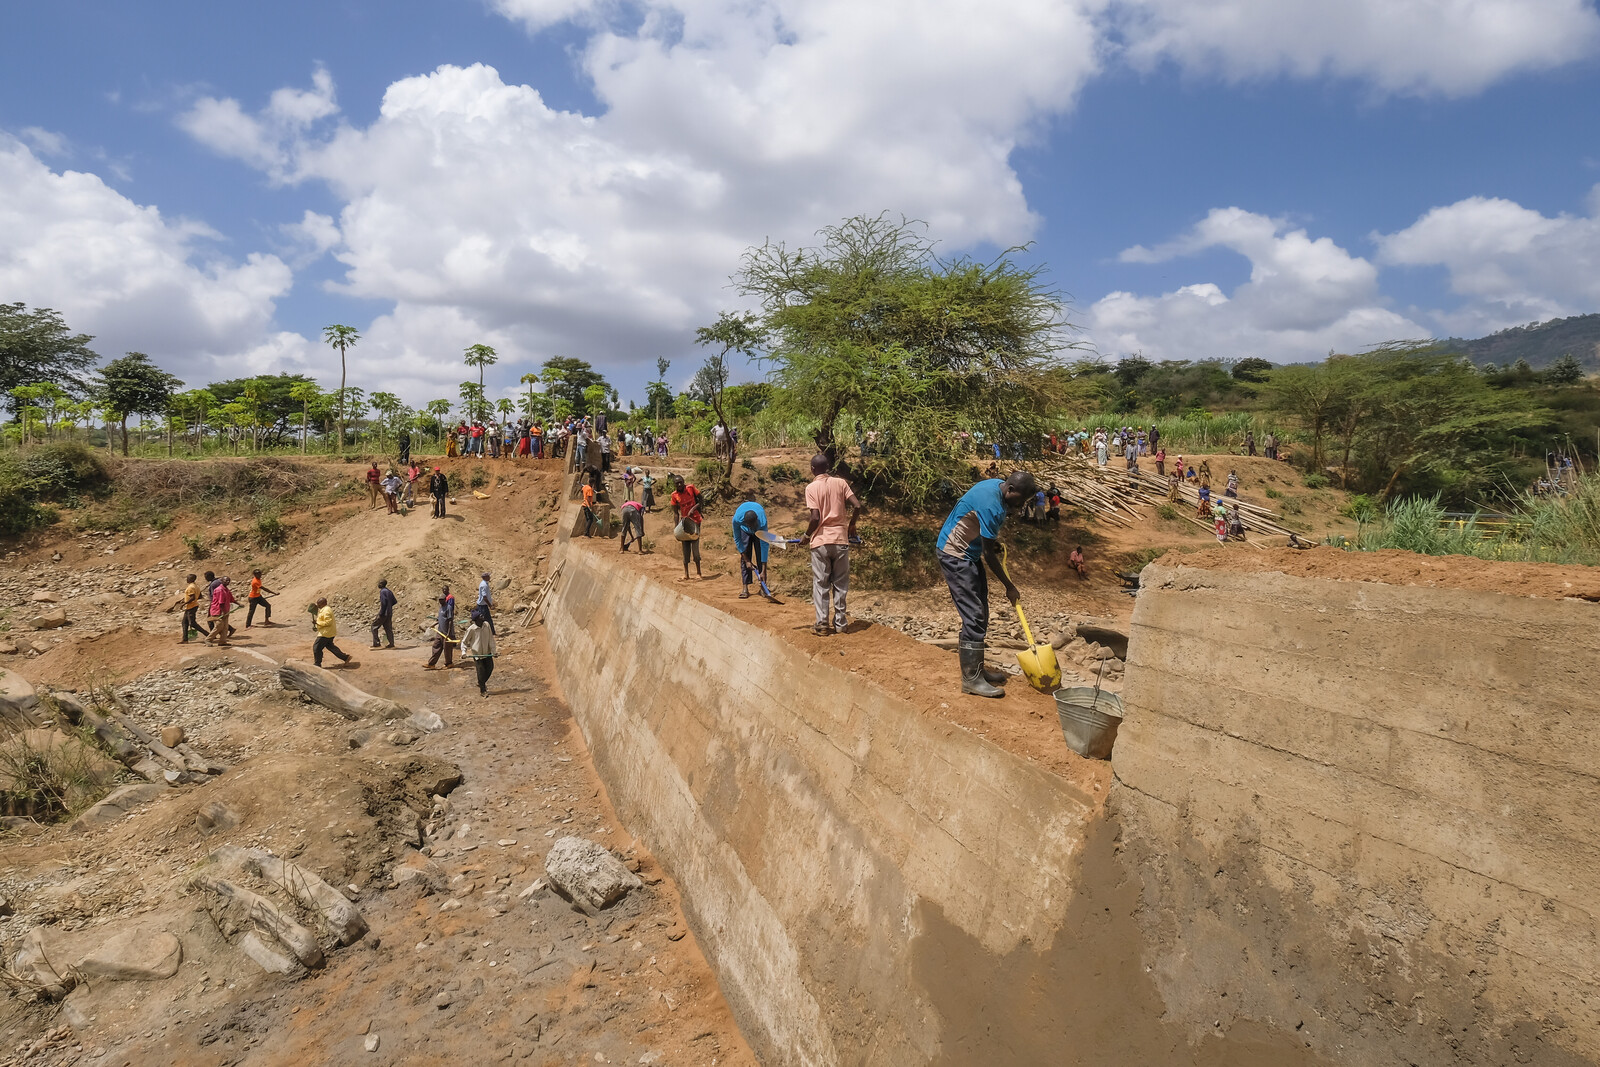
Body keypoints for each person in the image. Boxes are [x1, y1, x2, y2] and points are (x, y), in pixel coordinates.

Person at [935, 470, 1033, 698]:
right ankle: (971, 680)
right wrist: (1009, 586)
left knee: (981, 611)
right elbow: (989, 556)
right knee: (974, 616)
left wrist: (991, 542)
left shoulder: (996, 485)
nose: (1020, 506)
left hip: (968, 553)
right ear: (1010, 490)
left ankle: (977, 670)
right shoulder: (992, 506)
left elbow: (985, 537)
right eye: (1021, 499)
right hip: (955, 555)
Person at [801, 455, 860, 635]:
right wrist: (852, 526)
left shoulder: (811, 488)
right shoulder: (841, 483)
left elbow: (815, 517)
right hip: (841, 540)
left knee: (821, 583)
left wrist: (805, 536)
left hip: (820, 542)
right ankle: (841, 624)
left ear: (812, 469)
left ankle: (822, 624)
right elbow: (857, 506)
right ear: (828, 467)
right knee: (840, 584)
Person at [732, 500, 770, 599]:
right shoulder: (737, 520)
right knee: (745, 555)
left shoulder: (762, 522)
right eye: (750, 526)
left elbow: (764, 545)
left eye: (754, 525)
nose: (752, 527)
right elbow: (737, 539)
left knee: (760, 554)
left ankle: (763, 587)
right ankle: (745, 587)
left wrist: (764, 570)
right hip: (744, 531)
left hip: (759, 531)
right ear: (745, 523)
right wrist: (747, 560)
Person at [669, 475, 704, 580]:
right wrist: (676, 528)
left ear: (683, 481)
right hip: (684, 523)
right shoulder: (674, 495)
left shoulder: (691, 488)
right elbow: (676, 513)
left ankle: (698, 573)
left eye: (681, 482)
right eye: (677, 483)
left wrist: (694, 508)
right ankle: (686, 574)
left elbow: (701, 500)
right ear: (674, 485)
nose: (679, 484)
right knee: (685, 548)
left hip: (696, 520)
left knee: (695, 546)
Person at [461, 605, 498, 696]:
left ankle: (481, 682)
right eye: (480, 616)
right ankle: (483, 690)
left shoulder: (487, 625)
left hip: (487, 652)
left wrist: (494, 651)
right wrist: (464, 652)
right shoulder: (471, 629)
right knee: (481, 671)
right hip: (477, 655)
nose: (483, 617)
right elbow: (464, 642)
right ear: (476, 620)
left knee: (490, 668)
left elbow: (491, 639)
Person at [312, 597, 355, 668]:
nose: (318, 605)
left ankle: (317, 664)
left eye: (319, 604)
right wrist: (317, 625)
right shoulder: (324, 610)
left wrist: (317, 622)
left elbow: (328, 622)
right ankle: (345, 657)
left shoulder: (326, 610)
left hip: (325, 633)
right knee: (331, 647)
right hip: (328, 632)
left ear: (323, 603)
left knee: (317, 647)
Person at [426, 586, 456, 669]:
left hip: (446, 633)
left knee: (447, 649)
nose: (440, 601)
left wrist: (449, 633)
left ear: (444, 600)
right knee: (436, 646)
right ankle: (431, 664)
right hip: (440, 632)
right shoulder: (441, 608)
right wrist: (434, 624)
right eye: (439, 600)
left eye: (441, 600)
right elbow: (440, 619)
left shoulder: (448, 608)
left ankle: (449, 663)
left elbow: (450, 620)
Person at [207, 576, 236, 647]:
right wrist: (223, 612)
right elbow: (221, 603)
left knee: (225, 627)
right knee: (219, 625)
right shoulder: (220, 590)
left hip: (225, 610)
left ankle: (222, 641)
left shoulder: (226, 590)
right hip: (218, 610)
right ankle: (208, 639)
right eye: (226, 580)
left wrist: (239, 604)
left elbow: (231, 599)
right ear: (222, 581)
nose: (227, 582)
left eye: (229, 581)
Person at [174, 572, 203, 643]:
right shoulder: (196, 586)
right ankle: (185, 639)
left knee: (192, 623)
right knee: (184, 622)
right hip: (192, 606)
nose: (186, 579)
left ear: (191, 579)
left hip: (191, 607)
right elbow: (200, 596)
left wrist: (184, 603)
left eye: (188, 578)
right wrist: (185, 600)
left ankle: (208, 635)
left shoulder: (190, 587)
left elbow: (192, 597)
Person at [370, 578, 397, 649]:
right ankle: (391, 644)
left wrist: (381, 613)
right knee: (388, 628)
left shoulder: (382, 592)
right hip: (389, 613)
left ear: (381, 584)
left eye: (379, 583)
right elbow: (394, 601)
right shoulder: (389, 591)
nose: (378, 584)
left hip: (384, 613)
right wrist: (389, 606)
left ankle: (376, 644)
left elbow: (384, 603)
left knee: (374, 626)